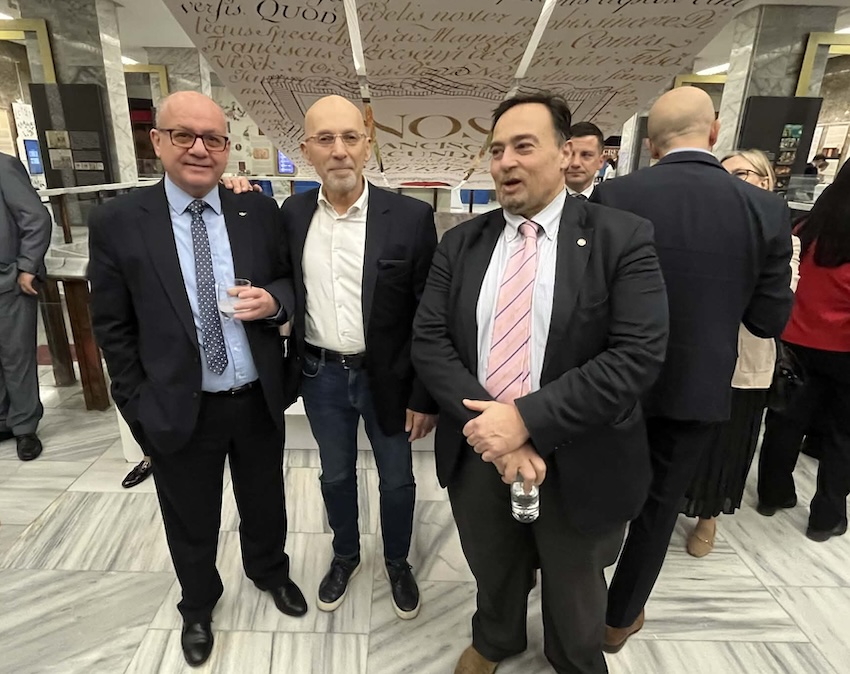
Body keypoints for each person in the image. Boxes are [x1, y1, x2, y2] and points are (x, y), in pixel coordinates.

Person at [412, 92, 669, 674]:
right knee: (491, 560)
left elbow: (636, 356)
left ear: (565, 153)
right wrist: (494, 431)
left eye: (523, 146)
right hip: (480, 447)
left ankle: (574, 659)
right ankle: (496, 638)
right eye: (497, 149)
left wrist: (525, 421)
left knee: (575, 582)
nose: (506, 161)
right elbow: (430, 341)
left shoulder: (622, 237)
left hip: (582, 451)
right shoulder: (461, 243)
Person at [88, 91, 306, 668]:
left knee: (265, 499)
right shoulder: (118, 222)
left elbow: (289, 279)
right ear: (157, 141)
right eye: (184, 135)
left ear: (227, 148)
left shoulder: (256, 210)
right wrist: (139, 410)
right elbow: (112, 327)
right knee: (190, 514)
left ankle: (269, 571)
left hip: (256, 397)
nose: (199, 149)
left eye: (212, 138)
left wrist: (275, 303)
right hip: (179, 404)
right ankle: (199, 603)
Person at [592, 87, 794, 652]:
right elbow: (767, 320)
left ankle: (573, 597)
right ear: (714, 131)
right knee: (660, 507)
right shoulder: (765, 209)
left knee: (596, 494)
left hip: (610, 382)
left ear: (652, 145)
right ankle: (617, 620)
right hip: (699, 384)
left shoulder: (613, 196)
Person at [229, 94, 438, 619]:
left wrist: (424, 395)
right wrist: (232, 188)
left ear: (368, 145)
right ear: (307, 151)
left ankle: (397, 562)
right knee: (335, 475)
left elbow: (427, 313)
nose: (339, 150)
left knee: (398, 479)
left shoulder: (410, 218)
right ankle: (345, 555)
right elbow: (278, 274)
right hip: (320, 373)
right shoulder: (292, 214)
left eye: (350, 138)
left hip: (388, 377)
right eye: (325, 139)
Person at [680, 149, 800, 557]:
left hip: (745, 361)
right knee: (681, 436)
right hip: (692, 355)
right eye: (724, 175)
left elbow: (775, 301)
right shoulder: (699, 232)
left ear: (766, 183)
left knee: (727, 444)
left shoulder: (785, 241)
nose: (731, 183)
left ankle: (708, 515)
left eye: (743, 174)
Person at [757, 160, 850, 542]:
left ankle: (772, 494)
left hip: (795, 341)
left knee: (784, 420)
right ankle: (826, 517)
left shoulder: (804, 229)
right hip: (844, 350)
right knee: (843, 435)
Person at [0, 151, 51, 461]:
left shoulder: (3, 166)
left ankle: (24, 427)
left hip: (8, 279)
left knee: (16, 356)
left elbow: (36, 217)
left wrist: (28, 266)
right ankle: (3, 420)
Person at [564, 121, 605, 200]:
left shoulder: (612, 204)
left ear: (600, 161)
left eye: (586, 155)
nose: (575, 163)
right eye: (570, 154)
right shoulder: (543, 202)